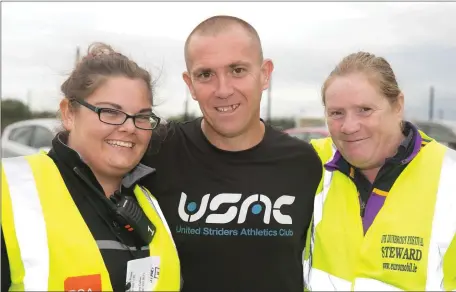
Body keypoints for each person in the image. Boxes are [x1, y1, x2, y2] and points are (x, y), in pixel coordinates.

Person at [141, 15, 323, 292]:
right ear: (190, 84)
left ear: (265, 74)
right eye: (205, 75)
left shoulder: (305, 165)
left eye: (237, 70)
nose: (223, 90)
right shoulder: (155, 152)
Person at [1, 43, 181, 292]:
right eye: (110, 112)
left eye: (142, 116)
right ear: (69, 113)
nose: (130, 127)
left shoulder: (149, 204)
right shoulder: (10, 192)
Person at [303, 51, 456, 291]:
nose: (349, 126)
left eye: (364, 109)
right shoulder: (310, 164)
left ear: (398, 106)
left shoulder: (450, 177)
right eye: (336, 113)